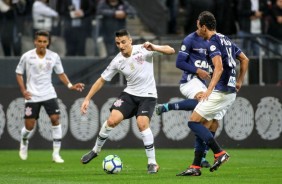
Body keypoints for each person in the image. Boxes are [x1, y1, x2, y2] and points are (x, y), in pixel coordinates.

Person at [80, 29, 175, 173]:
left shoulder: (144, 49)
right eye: (118, 43)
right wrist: (87, 98)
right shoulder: (117, 61)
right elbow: (101, 80)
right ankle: (95, 150)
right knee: (112, 120)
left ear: (130, 41)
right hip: (130, 94)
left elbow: (171, 50)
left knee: (142, 123)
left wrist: (154, 47)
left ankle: (152, 163)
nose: (121, 45)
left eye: (123, 42)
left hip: (148, 95)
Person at [176, 11, 249, 176]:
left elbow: (219, 67)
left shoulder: (212, 42)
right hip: (230, 92)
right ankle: (195, 167)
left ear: (203, 27)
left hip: (221, 91)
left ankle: (219, 153)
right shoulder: (225, 39)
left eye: (198, 26)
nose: (197, 30)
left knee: (193, 122)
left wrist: (209, 89)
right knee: (208, 124)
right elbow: (245, 59)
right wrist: (239, 81)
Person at [15, 30, 85, 163]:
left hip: (48, 93)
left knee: (55, 118)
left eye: (44, 41)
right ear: (35, 42)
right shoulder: (27, 56)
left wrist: (70, 85)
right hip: (32, 95)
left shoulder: (54, 56)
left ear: (48, 43)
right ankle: (24, 141)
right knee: (29, 126)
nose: (42, 44)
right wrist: (23, 90)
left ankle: (56, 154)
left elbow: (61, 73)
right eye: (39, 41)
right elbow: (19, 73)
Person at [155, 24, 217, 168]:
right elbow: (179, 62)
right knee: (202, 101)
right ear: (200, 26)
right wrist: (197, 70)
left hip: (203, 83)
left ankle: (201, 156)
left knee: (212, 122)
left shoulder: (212, 41)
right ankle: (168, 106)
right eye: (207, 29)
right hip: (190, 81)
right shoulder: (190, 40)